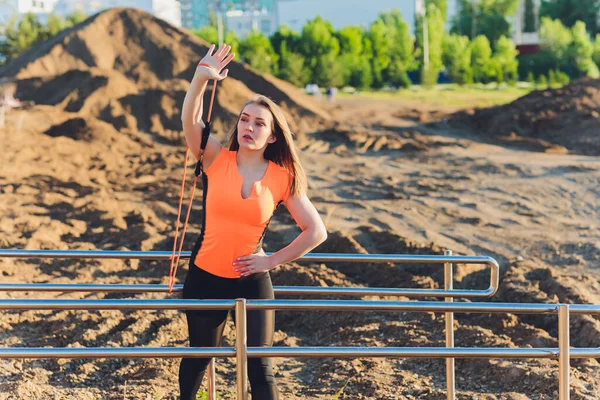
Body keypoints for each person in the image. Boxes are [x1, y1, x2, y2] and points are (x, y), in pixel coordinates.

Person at [179, 43, 328, 400]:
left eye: (259, 123)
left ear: (272, 135)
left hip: (252, 280)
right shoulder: (216, 157)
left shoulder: (282, 176)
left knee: (260, 366)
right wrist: (201, 77)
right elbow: (190, 121)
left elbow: (316, 231)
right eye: (244, 119)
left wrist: (271, 260)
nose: (248, 126)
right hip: (205, 278)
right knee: (200, 357)